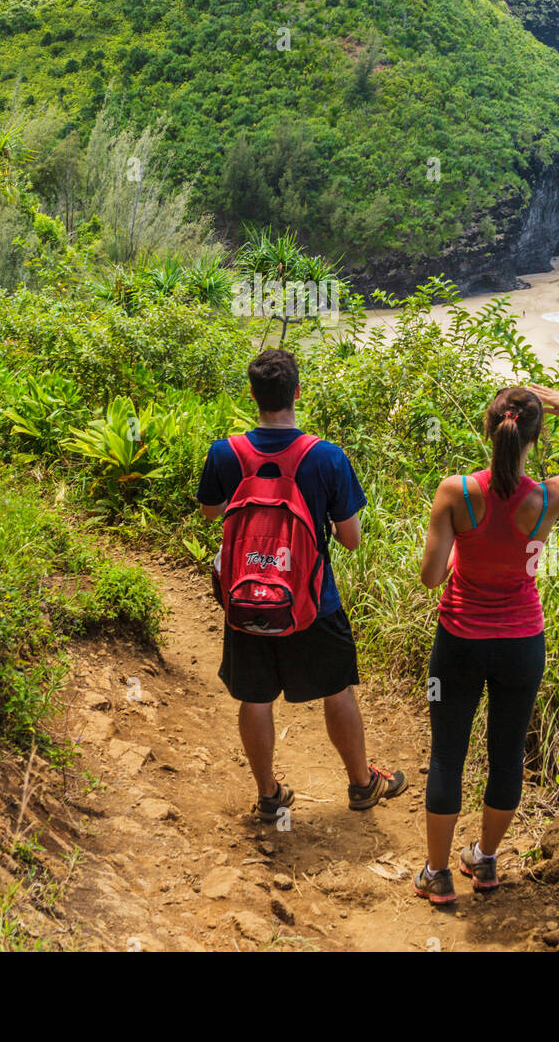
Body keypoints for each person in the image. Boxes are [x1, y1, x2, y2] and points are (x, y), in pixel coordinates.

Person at [413, 384, 559, 904]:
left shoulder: (455, 492)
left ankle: (437, 874)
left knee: (447, 756)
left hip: (460, 640)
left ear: (490, 429)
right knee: (507, 756)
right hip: (522, 644)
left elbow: (430, 578)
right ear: (536, 435)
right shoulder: (548, 496)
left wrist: (464, 557)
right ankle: (485, 863)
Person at [197, 348, 408, 821]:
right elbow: (350, 541)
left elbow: (211, 511)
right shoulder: (327, 457)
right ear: (297, 391)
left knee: (253, 696)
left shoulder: (224, 452)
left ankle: (269, 795)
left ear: (253, 396)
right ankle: (361, 784)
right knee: (338, 689)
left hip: (246, 596)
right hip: (313, 600)